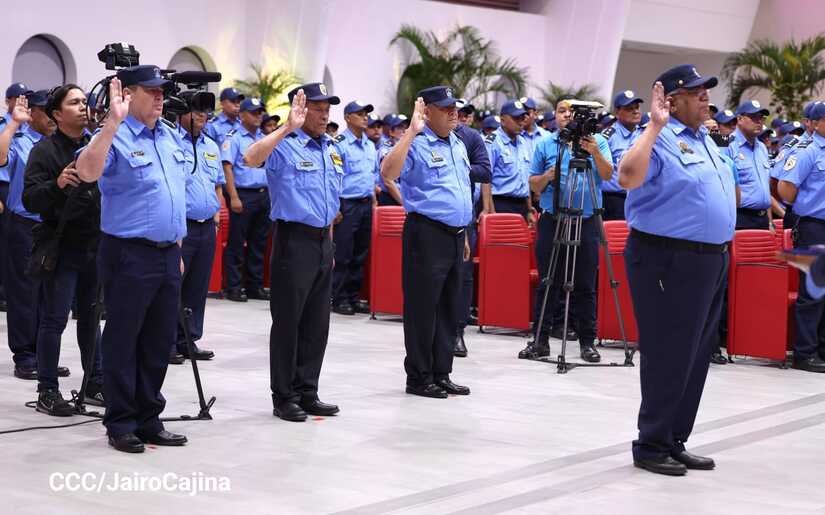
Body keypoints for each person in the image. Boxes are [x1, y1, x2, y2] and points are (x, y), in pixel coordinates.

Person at [618, 65, 735, 476]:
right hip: (666, 257)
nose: (705, 97)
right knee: (668, 351)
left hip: (710, 259)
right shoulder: (657, 137)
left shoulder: (705, 139)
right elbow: (627, 177)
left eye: (706, 90)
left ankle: (673, 439)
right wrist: (654, 126)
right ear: (670, 99)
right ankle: (650, 444)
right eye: (695, 91)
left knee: (695, 354)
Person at [76, 65, 189, 453]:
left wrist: (176, 246)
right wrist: (111, 123)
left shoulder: (170, 136)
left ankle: (148, 417)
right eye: (151, 90)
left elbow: (175, 194)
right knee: (124, 339)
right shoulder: (114, 135)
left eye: (162, 91)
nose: (160, 97)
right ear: (128, 94)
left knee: (159, 341)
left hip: (167, 253)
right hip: (128, 253)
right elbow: (86, 172)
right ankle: (121, 421)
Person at [243, 82, 342, 422]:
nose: (324, 114)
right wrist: (286, 127)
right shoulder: (284, 145)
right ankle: (284, 396)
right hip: (293, 240)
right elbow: (250, 158)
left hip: (322, 241)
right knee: (289, 322)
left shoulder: (330, 148)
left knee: (317, 323)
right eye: (317, 108)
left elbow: (330, 199)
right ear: (299, 110)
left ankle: (307, 390)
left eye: (327, 108)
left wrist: (329, 244)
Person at [381, 86, 473, 399]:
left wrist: (463, 232)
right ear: (427, 112)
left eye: (454, 108)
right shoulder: (416, 144)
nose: (453, 113)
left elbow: (459, 190)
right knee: (423, 309)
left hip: (455, 235)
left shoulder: (457, 143)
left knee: (448, 307)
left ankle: (441, 372)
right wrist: (411, 131)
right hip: (427, 234)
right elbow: (388, 172)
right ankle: (419, 377)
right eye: (445, 108)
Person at [22, 84, 105, 414]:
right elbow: (30, 199)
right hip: (61, 245)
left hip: (94, 244)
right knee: (54, 319)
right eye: (74, 103)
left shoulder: (95, 145)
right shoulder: (44, 151)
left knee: (91, 319)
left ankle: (95, 384)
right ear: (57, 114)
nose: (83, 107)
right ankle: (47, 389)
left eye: (85, 101)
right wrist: (56, 185)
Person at [518, 96, 613, 363]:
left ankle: (587, 343)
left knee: (585, 284)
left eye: (572, 112)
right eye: (562, 111)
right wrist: (547, 176)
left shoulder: (598, 141)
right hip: (553, 219)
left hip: (586, 220)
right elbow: (533, 185)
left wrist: (594, 152)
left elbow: (608, 175)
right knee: (548, 282)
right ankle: (540, 341)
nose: (567, 116)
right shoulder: (545, 144)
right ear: (555, 115)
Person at [0, 90, 64, 381]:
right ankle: (25, 355)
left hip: (53, 227)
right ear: (32, 113)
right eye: (43, 111)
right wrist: (15, 123)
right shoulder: (20, 140)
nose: (50, 117)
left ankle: (45, 355)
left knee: (49, 294)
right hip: (24, 225)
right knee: (24, 293)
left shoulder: (59, 143)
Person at [172, 91, 221, 364]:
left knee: (197, 287)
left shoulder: (211, 146)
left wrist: (217, 218)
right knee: (173, 285)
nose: (202, 115)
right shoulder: (171, 142)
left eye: (205, 110)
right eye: (196, 109)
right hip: (183, 226)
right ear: (181, 112)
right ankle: (167, 341)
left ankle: (188, 339)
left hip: (206, 226)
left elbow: (216, 184)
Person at [777, 101, 825, 373]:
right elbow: (785, 188)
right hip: (814, 226)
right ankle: (805, 353)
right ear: (815, 124)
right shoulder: (807, 151)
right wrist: (808, 205)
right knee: (813, 291)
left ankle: (822, 348)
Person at [221, 97, 270, 302]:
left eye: (260, 112)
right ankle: (233, 286)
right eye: (254, 112)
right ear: (242, 115)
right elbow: (227, 167)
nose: (259, 116)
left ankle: (254, 286)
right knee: (237, 243)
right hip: (243, 194)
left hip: (263, 194)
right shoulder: (234, 137)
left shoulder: (264, 138)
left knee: (259, 243)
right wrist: (233, 196)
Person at [331, 100, 378, 316]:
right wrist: (335, 207)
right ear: (347, 117)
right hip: (346, 204)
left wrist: (374, 202)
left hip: (365, 204)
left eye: (366, 114)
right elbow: (333, 177)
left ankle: (353, 296)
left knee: (360, 253)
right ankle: (339, 297)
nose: (365, 117)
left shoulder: (370, 145)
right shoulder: (339, 144)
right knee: (343, 253)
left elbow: (372, 175)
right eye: (359, 114)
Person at [454, 99, 493, 358]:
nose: (460, 117)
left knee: (463, 274)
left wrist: (457, 165)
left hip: (464, 214)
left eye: (465, 114)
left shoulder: (471, 138)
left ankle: (458, 331)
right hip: (432, 216)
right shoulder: (424, 136)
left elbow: (485, 171)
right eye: (455, 111)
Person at [0, 83, 34, 313]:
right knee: (6, 244)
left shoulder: (30, 126)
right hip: (3, 186)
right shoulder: (4, 126)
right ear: (8, 101)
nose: (23, 101)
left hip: (19, 186)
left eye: (26, 97)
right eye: (18, 97)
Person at [723, 100, 775, 230]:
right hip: (740, 218)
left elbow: (764, 188)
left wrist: (769, 221)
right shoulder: (727, 144)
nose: (759, 122)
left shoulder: (762, 147)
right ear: (739, 119)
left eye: (761, 118)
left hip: (763, 218)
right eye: (753, 117)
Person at [484, 99, 533, 220]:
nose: (521, 122)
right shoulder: (492, 141)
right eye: (516, 118)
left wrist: (529, 209)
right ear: (503, 120)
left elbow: (525, 179)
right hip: (501, 203)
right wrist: (490, 211)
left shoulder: (523, 142)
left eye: (522, 118)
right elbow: (486, 179)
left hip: (522, 204)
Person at [601, 90, 644, 221]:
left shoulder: (644, 134)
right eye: (629, 109)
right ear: (617, 112)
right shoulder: (608, 136)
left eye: (637, 107)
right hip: (614, 199)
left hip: (639, 198)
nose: (635, 111)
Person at [374, 115, 408, 206]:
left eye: (406, 127)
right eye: (400, 127)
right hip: (392, 197)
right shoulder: (386, 151)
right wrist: (404, 204)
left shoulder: (408, 148)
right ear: (391, 132)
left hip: (407, 196)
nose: (404, 130)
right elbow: (388, 182)